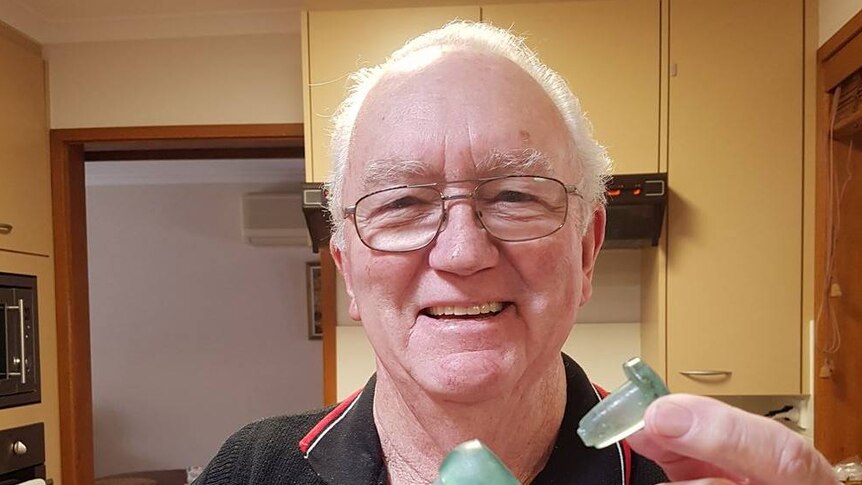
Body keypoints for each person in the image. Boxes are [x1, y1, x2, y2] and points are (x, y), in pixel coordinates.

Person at [194, 21, 838, 485]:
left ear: (586, 252)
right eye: (400, 202)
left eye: (514, 196)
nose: (463, 251)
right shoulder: (251, 470)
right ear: (349, 276)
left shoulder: (682, 475)